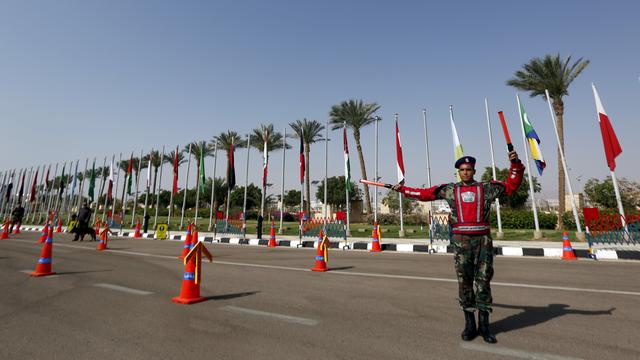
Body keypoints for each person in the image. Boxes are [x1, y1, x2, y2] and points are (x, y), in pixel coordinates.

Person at [390, 151, 524, 344]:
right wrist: (403, 190)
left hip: (483, 242)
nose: (466, 172)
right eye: (462, 170)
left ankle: (485, 326)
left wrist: (516, 164)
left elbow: (512, 186)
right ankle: (470, 326)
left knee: (484, 282)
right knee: (465, 283)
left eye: (469, 169)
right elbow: (424, 194)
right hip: (461, 242)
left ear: (474, 171)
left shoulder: (487, 188)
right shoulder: (449, 189)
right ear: (458, 172)